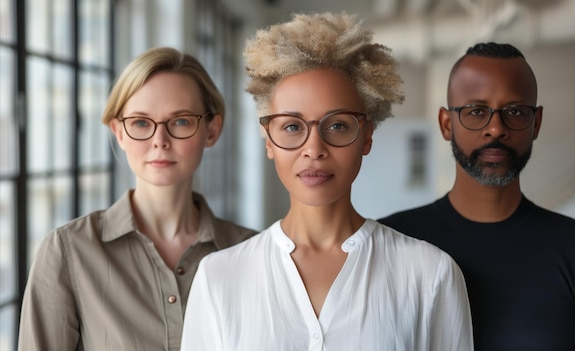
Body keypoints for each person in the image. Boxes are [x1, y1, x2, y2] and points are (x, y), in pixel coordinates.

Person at [181, 12, 473, 351]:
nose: (314, 149)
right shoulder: (219, 278)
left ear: (366, 137)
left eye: (337, 126)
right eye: (292, 127)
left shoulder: (430, 275)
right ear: (268, 141)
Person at [379, 42, 575, 350]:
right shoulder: (389, 244)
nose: (496, 128)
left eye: (515, 112)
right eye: (476, 111)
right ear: (445, 123)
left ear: (536, 123)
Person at [18, 47, 255, 350]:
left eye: (180, 121)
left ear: (212, 130)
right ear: (119, 132)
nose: (160, 141)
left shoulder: (252, 253)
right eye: (141, 123)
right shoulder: (68, 252)